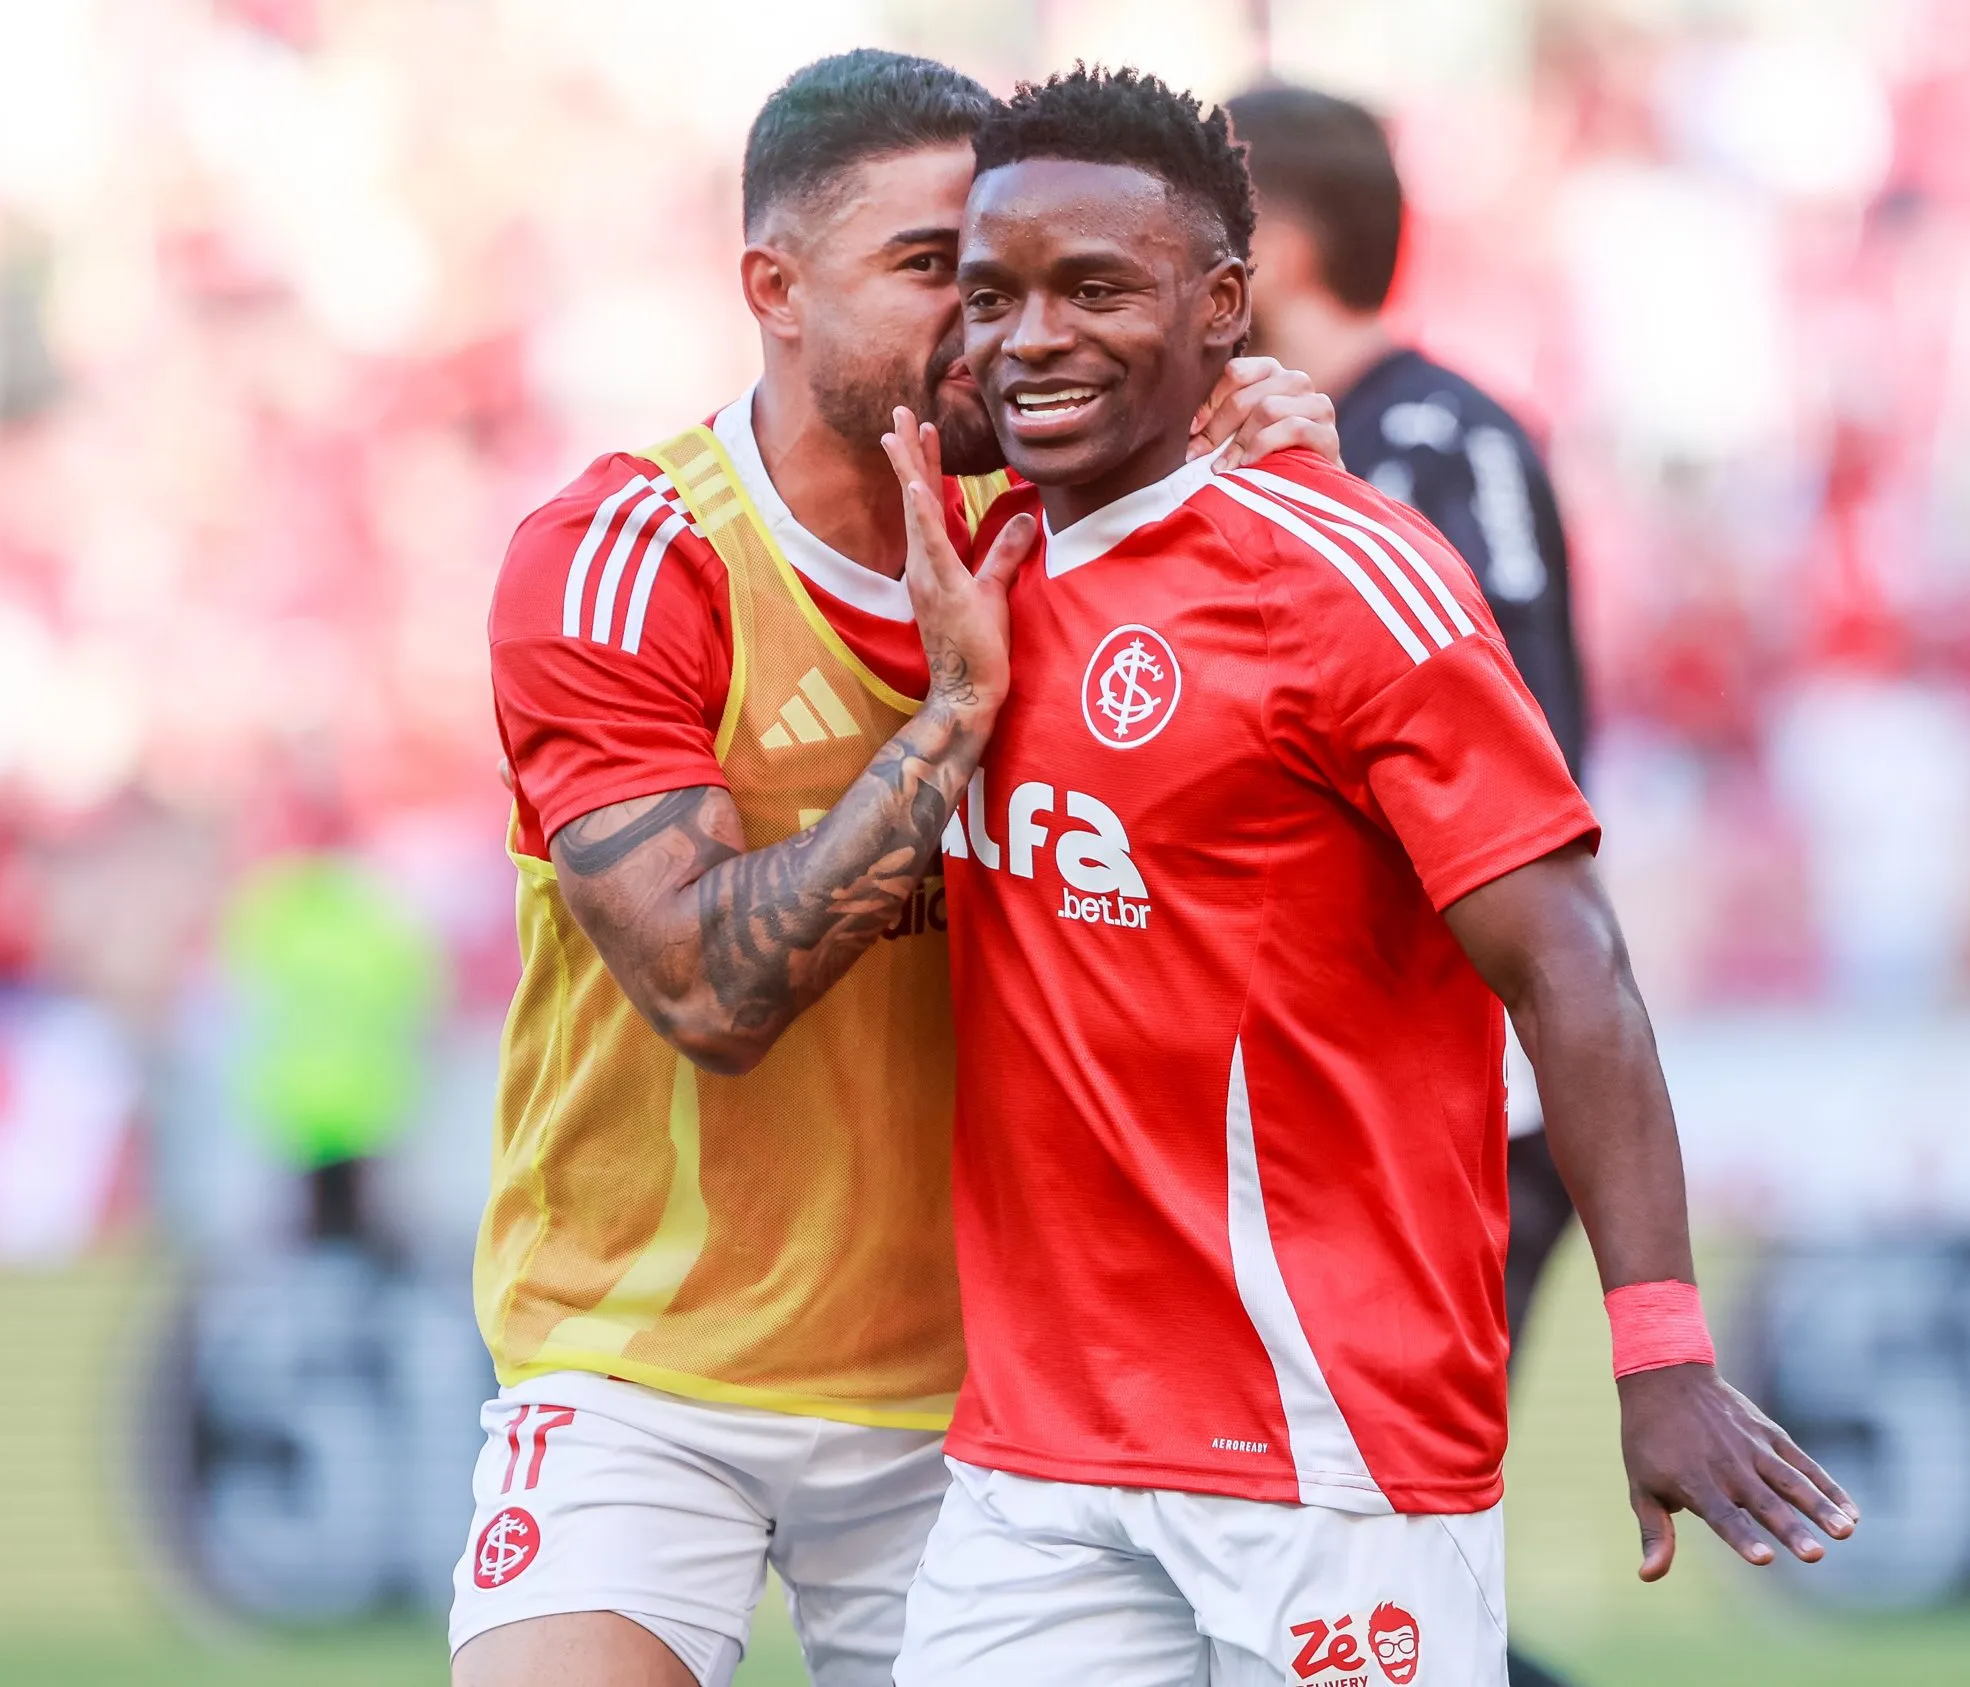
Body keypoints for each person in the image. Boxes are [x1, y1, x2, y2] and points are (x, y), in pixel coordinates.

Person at [888, 67, 1854, 1686]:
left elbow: (1572, 966)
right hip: (1038, 1456)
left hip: (1324, 1442)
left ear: (1223, 308)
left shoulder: (1344, 576)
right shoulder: (975, 568)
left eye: (1096, 288)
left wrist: (1660, 1345)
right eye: (994, 295)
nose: (1031, 335)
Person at [455, 50, 1336, 1687]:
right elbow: (708, 988)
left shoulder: (1098, 534)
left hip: (983, 1405)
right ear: (772, 288)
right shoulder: (625, 558)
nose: (987, 323)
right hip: (641, 1368)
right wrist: (953, 723)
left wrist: (1296, 488)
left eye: (1002, 273)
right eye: (935, 270)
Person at [1229, 81, 1602, 1687]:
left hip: (1466, 1093)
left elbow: (1520, 752)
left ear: (1282, 239)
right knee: (1305, 1550)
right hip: (1327, 1088)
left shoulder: (1438, 439)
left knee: (1358, 1540)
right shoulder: (1237, 457)